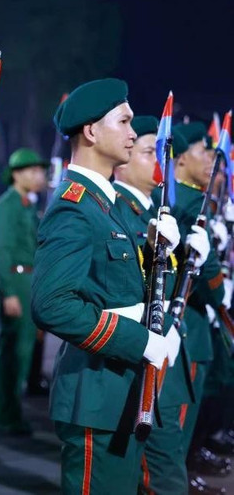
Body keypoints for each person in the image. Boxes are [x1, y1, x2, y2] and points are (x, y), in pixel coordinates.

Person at [31, 78, 183, 493]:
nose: (134, 134)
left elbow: (118, 290)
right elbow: (53, 304)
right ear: (92, 131)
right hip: (94, 396)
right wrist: (140, 341)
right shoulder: (74, 207)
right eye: (125, 121)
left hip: (118, 391)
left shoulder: (105, 205)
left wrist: (156, 254)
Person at [111, 115, 197, 494]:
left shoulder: (151, 213)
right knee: (156, 476)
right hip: (136, 361)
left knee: (166, 466)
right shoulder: (118, 212)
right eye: (148, 152)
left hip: (164, 354)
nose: (160, 162)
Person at [164, 122, 231, 488]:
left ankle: (182, 469)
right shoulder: (186, 205)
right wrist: (220, 289)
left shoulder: (195, 201)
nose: (212, 161)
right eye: (203, 152)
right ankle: (176, 474)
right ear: (180, 159)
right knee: (177, 417)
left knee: (188, 411)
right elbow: (205, 278)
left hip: (197, 322)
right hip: (187, 319)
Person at [0, 148, 48, 436]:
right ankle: (5, 414)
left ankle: (10, 411)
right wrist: (9, 292)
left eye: (41, 170)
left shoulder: (27, 204)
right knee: (13, 352)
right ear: (17, 173)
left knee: (23, 352)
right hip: (16, 280)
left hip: (28, 281)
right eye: (33, 170)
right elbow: (3, 252)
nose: (40, 176)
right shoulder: (8, 205)